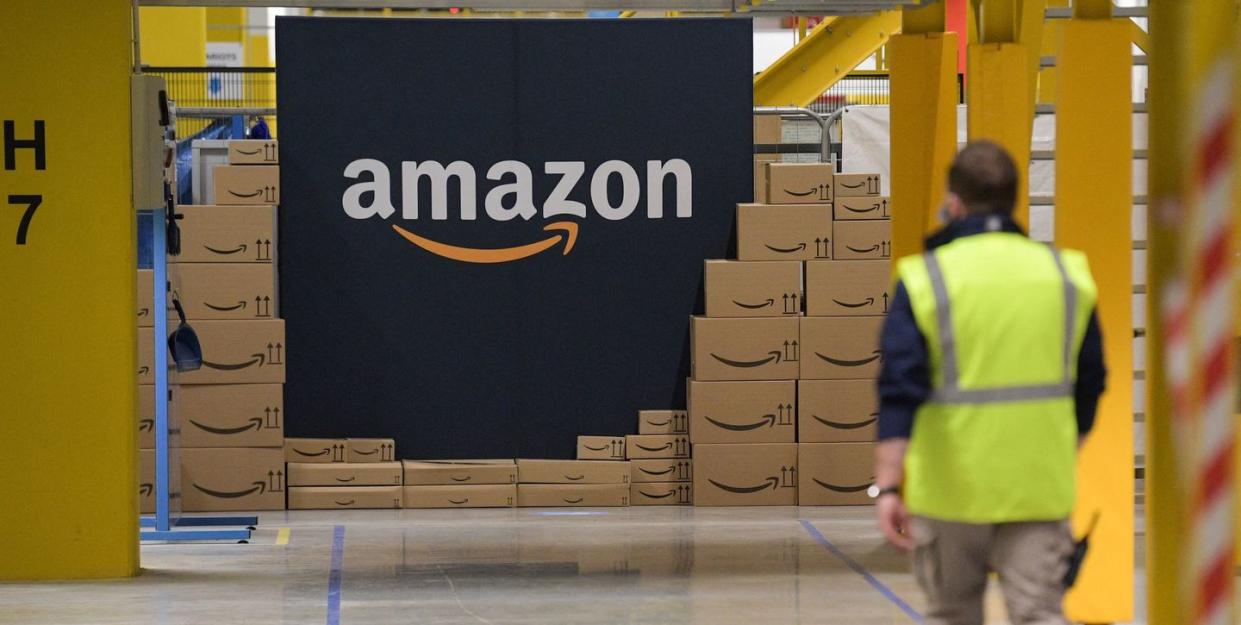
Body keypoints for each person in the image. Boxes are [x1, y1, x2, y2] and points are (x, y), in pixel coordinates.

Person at [873, 141, 1106, 625]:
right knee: (1039, 613)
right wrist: (1064, 446)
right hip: (1037, 486)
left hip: (950, 492)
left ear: (953, 201)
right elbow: (1091, 382)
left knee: (952, 614)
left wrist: (889, 486)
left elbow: (900, 388)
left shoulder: (925, 278)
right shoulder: (1066, 275)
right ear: (1014, 199)